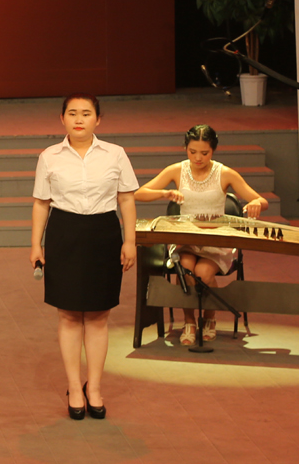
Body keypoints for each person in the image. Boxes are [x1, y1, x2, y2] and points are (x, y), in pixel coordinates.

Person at [30, 94, 137, 421]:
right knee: (68, 315)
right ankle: (75, 387)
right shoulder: (49, 156)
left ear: (98, 119)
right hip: (64, 233)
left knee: (99, 316)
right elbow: (41, 203)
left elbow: (126, 200)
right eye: (73, 113)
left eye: (86, 113)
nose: (79, 119)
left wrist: (130, 241)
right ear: (62, 118)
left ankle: (95, 388)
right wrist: (36, 244)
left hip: (104, 233)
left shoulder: (115, 154)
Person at [135, 123, 269, 343]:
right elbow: (139, 193)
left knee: (204, 274)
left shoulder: (225, 173)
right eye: (192, 151)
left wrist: (256, 203)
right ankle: (189, 322)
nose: (198, 158)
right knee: (185, 270)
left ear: (213, 150)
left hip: (215, 241)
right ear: (185, 148)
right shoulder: (177, 170)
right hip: (186, 240)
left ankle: (209, 318)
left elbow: (261, 200)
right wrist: (164, 193)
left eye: (204, 153)